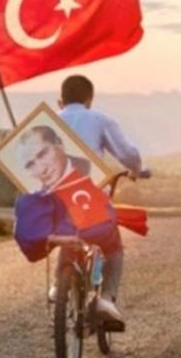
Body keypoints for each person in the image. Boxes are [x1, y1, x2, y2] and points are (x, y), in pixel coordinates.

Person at [51, 73, 144, 326]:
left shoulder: (47, 124)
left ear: (60, 101)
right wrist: (137, 170)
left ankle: (58, 285)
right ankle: (106, 299)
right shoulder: (101, 120)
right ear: (89, 100)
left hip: (51, 204)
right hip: (88, 201)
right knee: (112, 246)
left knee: (67, 231)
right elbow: (128, 155)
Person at [15, 125, 90, 191]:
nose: (42, 170)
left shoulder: (91, 167)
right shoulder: (43, 199)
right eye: (30, 165)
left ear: (59, 144)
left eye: (42, 155)